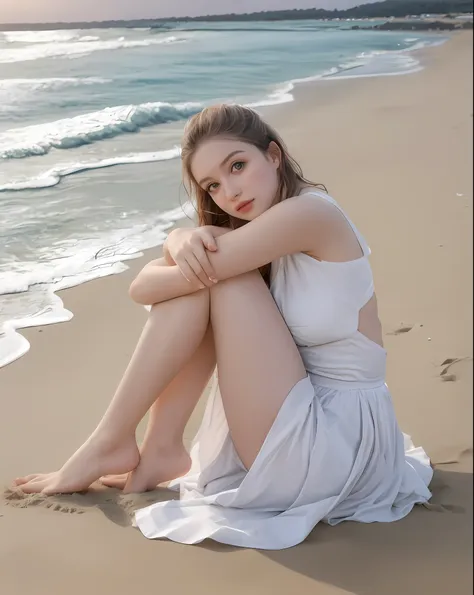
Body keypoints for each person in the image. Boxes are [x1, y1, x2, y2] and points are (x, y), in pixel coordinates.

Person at [14, 104, 433, 550]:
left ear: (273, 155)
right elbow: (147, 285)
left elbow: (143, 289)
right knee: (206, 279)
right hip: (309, 414)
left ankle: (121, 441)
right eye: (212, 185)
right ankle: (152, 448)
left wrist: (178, 242)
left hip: (335, 446)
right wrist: (180, 240)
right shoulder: (263, 229)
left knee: (211, 281)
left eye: (238, 165)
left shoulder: (311, 215)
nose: (229, 192)